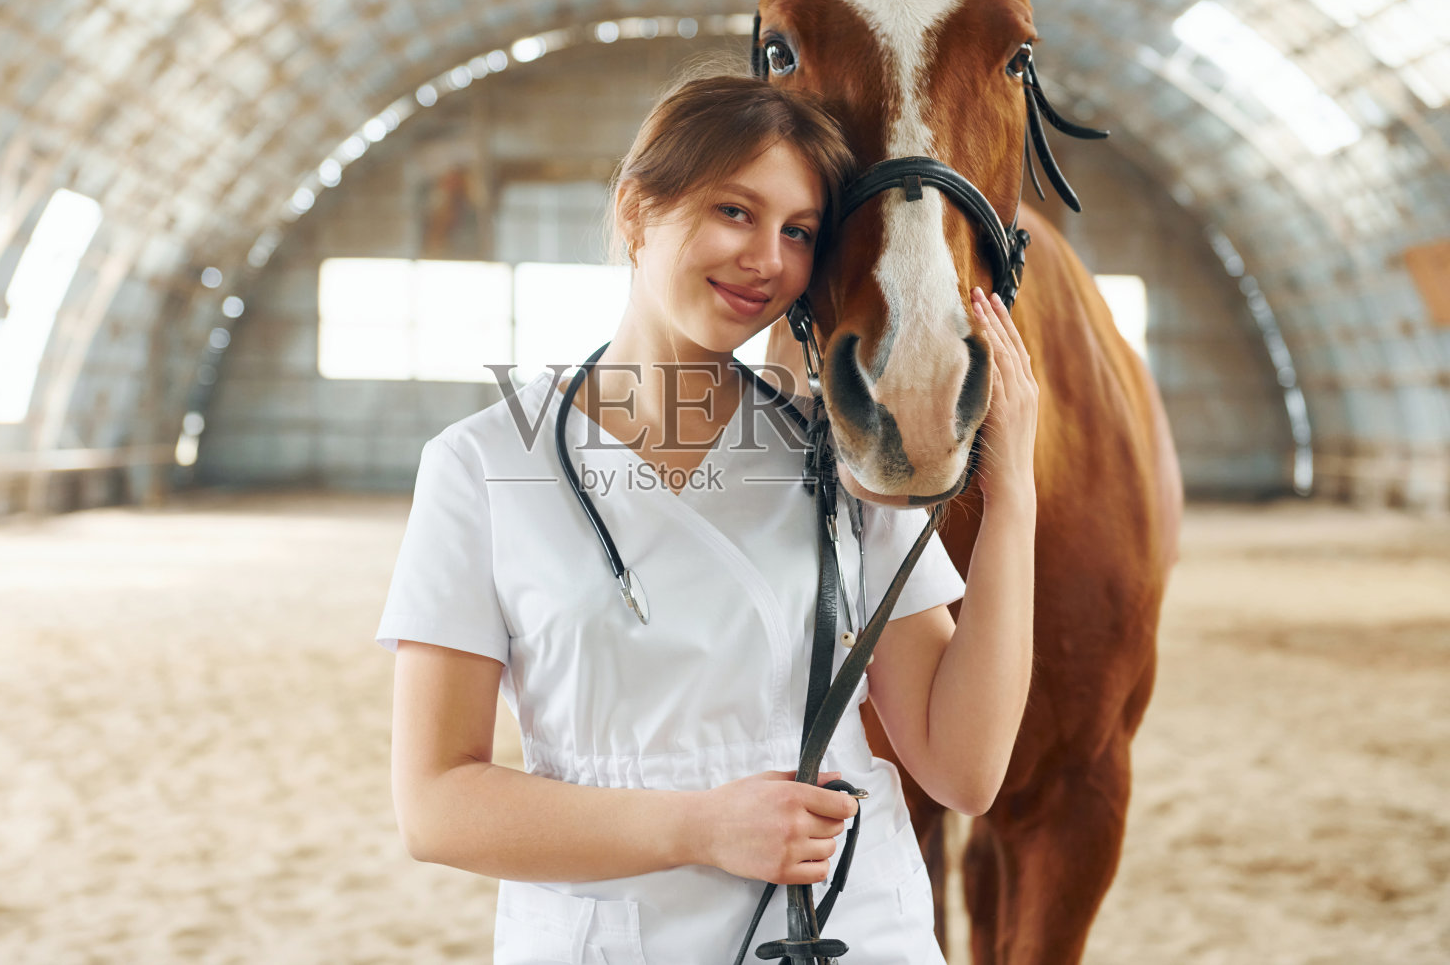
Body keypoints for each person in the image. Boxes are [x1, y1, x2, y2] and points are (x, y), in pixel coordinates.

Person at [376, 71, 1038, 964]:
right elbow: (436, 804)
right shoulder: (483, 464)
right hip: (608, 937)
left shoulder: (833, 446)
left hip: (849, 924)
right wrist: (700, 826)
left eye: (798, 231)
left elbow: (965, 768)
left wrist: (1014, 496)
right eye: (736, 210)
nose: (768, 258)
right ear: (637, 209)